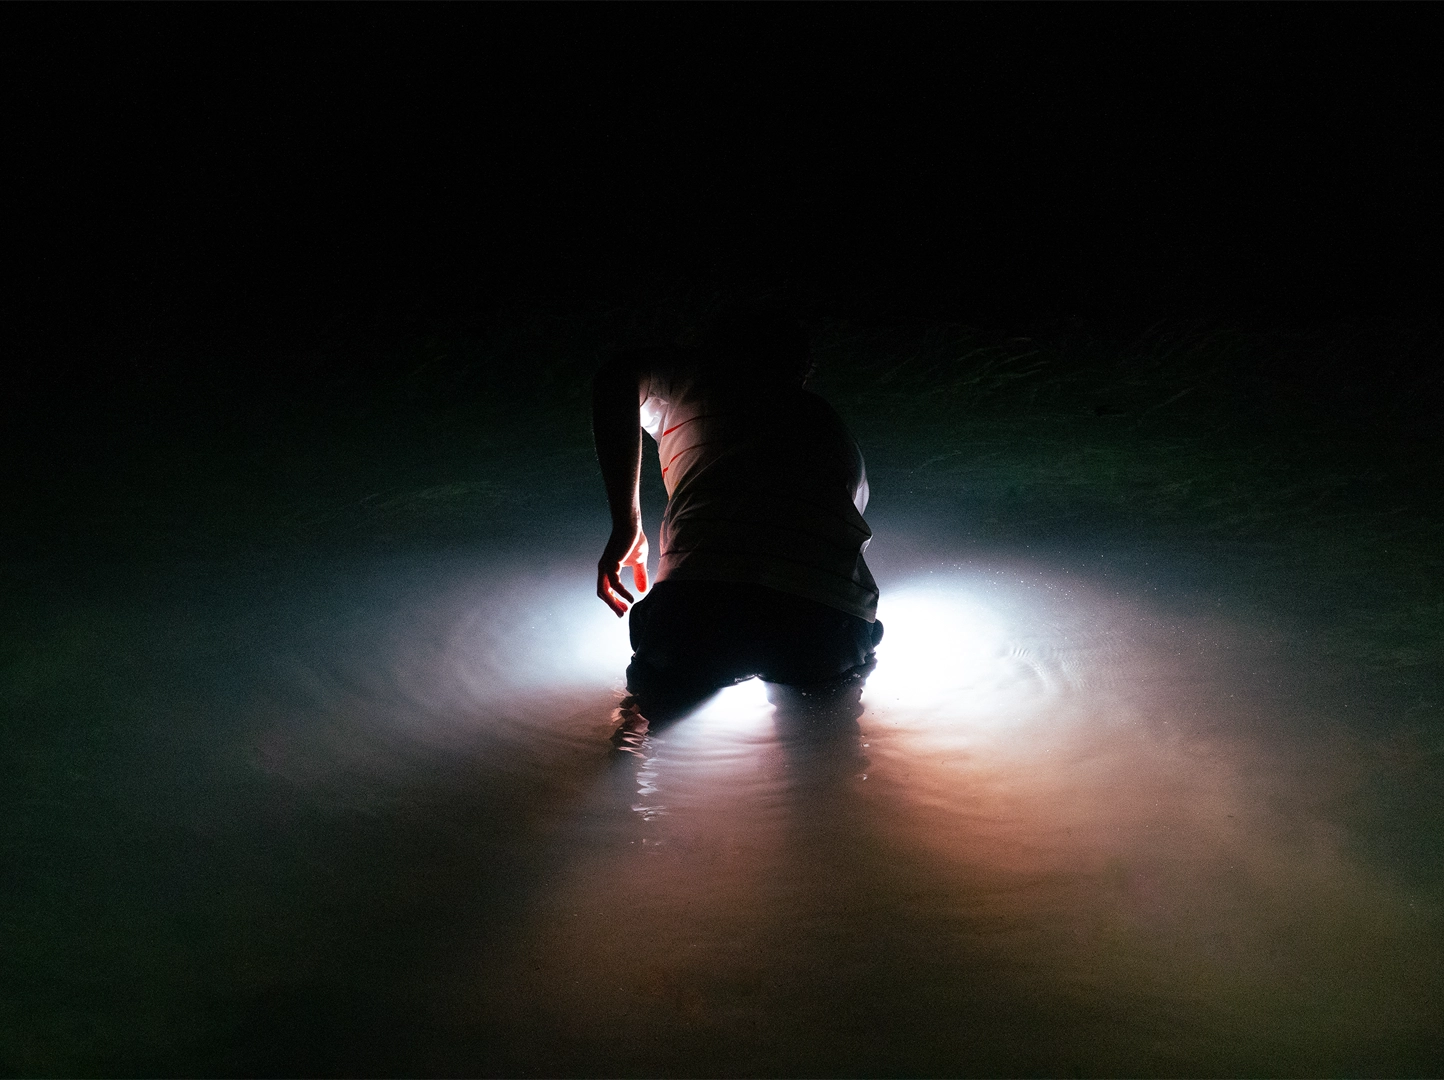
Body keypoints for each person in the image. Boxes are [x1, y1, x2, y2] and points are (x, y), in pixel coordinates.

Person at [592, 306, 882, 740]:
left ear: (710, 354)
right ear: (802, 371)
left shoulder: (695, 384)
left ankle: (630, 766)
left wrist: (626, 524)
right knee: (826, 737)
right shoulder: (831, 428)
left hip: (700, 606)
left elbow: (617, 374)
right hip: (823, 621)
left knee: (649, 717)